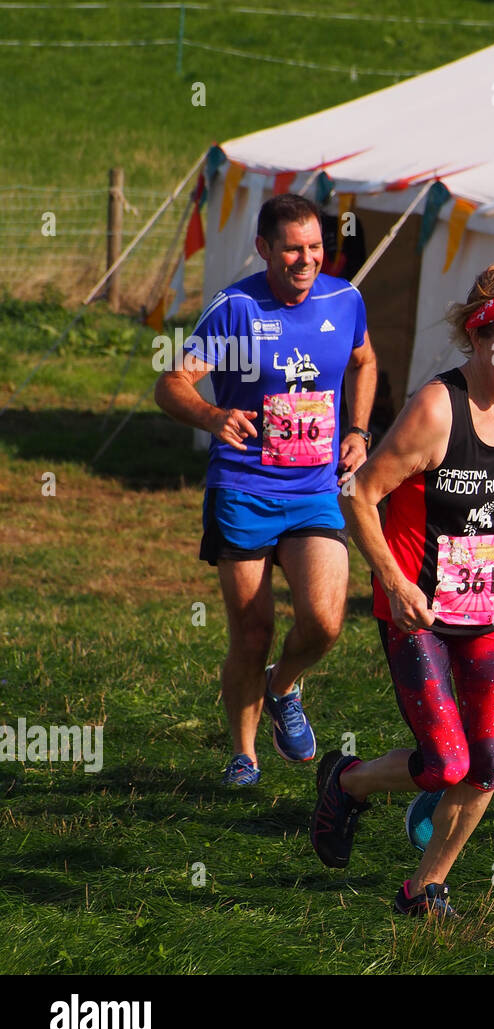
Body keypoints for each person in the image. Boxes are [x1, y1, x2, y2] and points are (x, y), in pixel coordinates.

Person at [311, 266, 494, 917]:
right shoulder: (438, 408)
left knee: (488, 756)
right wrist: (393, 579)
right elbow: (360, 492)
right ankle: (348, 780)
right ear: (478, 334)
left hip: (489, 606)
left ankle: (425, 886)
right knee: (445, 762)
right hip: (419, 608)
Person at [155, 193, 377, 785]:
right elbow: (170, 382)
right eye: (291, 250)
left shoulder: (344, 297)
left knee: (326, 621)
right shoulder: (235, 308)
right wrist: (210, 416)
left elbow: (364, 360)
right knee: (251, 632)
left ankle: (283, 685)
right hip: (244, 488)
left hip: (313, 490)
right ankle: (244, 754)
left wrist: (357, 428)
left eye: (314, 248)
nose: (305, 261)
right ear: (264, 249)